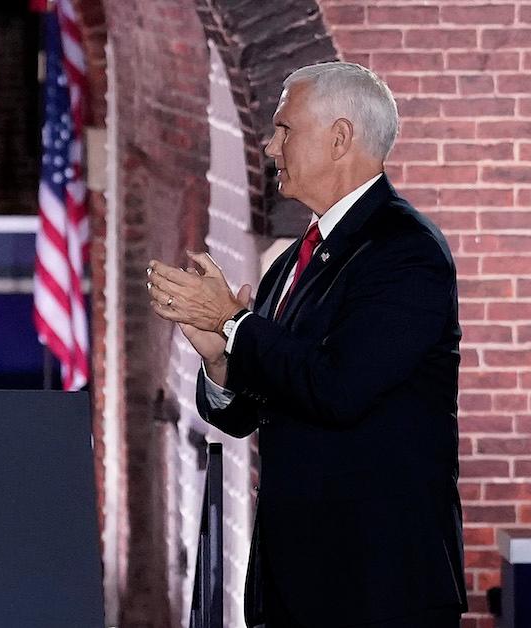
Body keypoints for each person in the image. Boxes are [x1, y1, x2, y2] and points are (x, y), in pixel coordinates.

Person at [147, 62, 466, 627]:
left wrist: (236, 325)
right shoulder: (292, 264)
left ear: (340, 138)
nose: (271, 146)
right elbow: (254, 409)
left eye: (284, 129)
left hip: (377, 587)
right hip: (290, 582)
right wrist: (220, 357)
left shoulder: (404, 252)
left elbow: (339, 388)